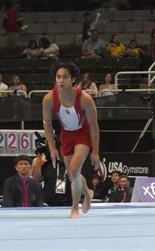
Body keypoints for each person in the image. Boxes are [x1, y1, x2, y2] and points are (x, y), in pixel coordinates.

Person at [42, 61, 101, 218]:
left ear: (73, 79)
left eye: (65, 77)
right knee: (71, 174)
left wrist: (95, 151)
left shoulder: (85, 99)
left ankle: (75, 208)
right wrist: (53, 148)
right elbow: (47, 125)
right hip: (66, 135)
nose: (61, 80)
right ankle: (87, 192)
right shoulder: (48, 99)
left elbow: (94, 127)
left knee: (74, 169)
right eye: (58, 77)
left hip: (83, 134)